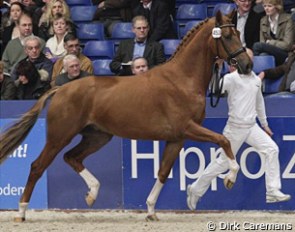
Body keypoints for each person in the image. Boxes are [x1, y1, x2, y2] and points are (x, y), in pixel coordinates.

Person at [186, 49, 291, 210]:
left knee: (272, 149)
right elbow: (216, 89)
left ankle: (272, 190)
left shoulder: (255, 79)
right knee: (221, 164)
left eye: (250, 57)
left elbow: (259, 103)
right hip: (234, 129)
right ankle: (195, 189)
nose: (248, 60)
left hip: (251, 127)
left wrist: (264, 125)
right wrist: (217, 68)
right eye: (246, 57)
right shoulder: (231, 79)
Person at [253, 0, 294, 66]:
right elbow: (263, 42)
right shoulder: (263, 20)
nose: (266, 8)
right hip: (269, 52)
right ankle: (261, 73)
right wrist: (268, 44)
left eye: (270, 6)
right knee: (263, 55)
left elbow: (288, 45)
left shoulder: (288, 19)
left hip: (285, 54)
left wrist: (270, 42)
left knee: (257, 46)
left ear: (277, 7)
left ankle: (252, 72)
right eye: (265, 6)